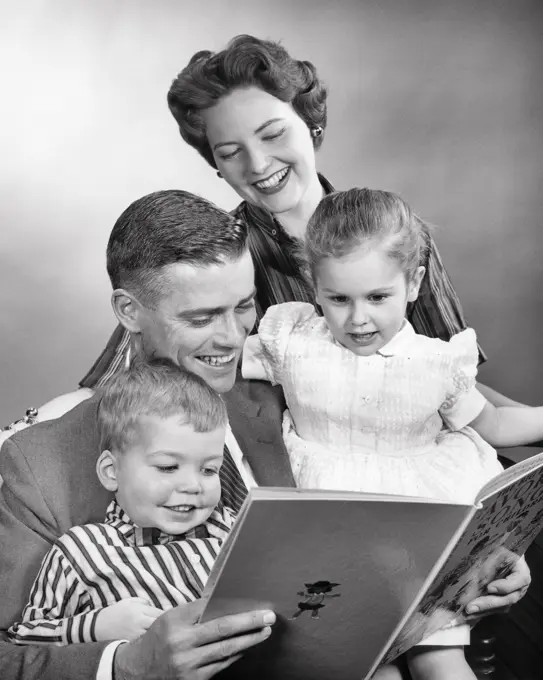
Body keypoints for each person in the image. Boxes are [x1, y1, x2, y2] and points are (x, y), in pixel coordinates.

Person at [0, 190, 530, 680]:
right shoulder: (39, 462)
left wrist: (481, 563)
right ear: (128, 312)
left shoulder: (296, 390)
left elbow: (402, 500)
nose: (233, 339)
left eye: (243, 306)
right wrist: (126, 664)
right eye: (203, 316)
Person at [79, 34, 523, 416]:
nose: (258, 164)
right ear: (215, 165)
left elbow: (453, 382)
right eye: (230, 152)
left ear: (312, 124)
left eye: (273, 135)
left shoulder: (395, 234)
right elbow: (116, 376)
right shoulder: (219, 255)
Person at [241, 187, 543, 680]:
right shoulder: (292, 341)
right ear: (312, 285)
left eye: (378, 297)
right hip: (331, 526)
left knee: (439, 656)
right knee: (364, 664)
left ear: (415, 282)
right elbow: (211, 360)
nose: (358, 319)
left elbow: (495, 423)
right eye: (337, 298)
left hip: (417, 526)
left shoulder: (436, 363)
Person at [9, 359, 238, 645]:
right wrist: (94, 627)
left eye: (209, 470)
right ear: (111, 472)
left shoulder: (232, 530)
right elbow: (24, 639)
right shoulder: (82, 552)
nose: (193, 486)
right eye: (168, 467)